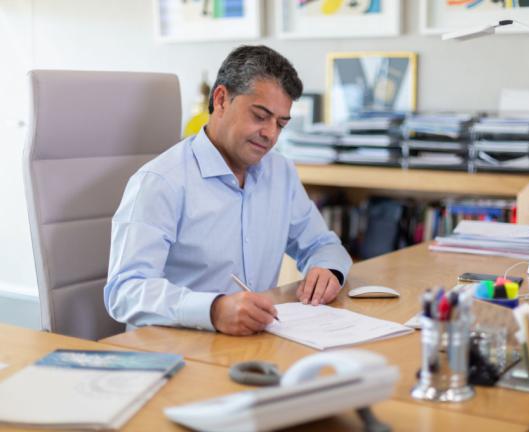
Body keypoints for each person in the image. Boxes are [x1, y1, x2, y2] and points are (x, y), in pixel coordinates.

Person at [104, 45, 352, 336]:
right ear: (221, 99)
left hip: (252, 343)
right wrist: (213, 310)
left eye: (280, 124)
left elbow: (322, 244)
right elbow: (125, 291)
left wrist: (328, 270)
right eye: (260, 116)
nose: (270, 133)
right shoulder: (161, 181)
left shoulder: (280, 173)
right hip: (177, 348)